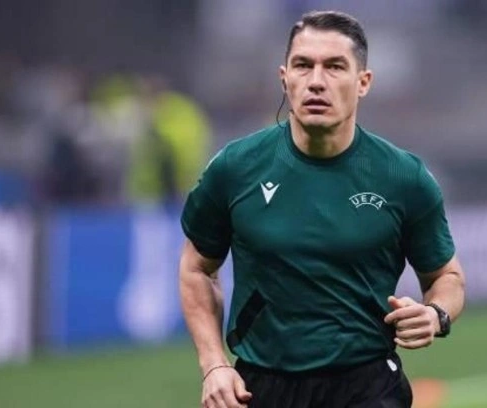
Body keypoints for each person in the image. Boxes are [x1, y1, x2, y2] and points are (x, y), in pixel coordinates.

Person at [179, 10, 466, 408]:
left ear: (363, 82)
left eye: (334, 67)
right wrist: (213, 364)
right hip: (260, 387)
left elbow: (447, 276)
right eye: (303, 65)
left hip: (368, 386)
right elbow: (196, 269)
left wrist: (436, 314)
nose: (316, 81)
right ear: (285, 78)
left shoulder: (404, 177)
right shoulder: (236, 167)